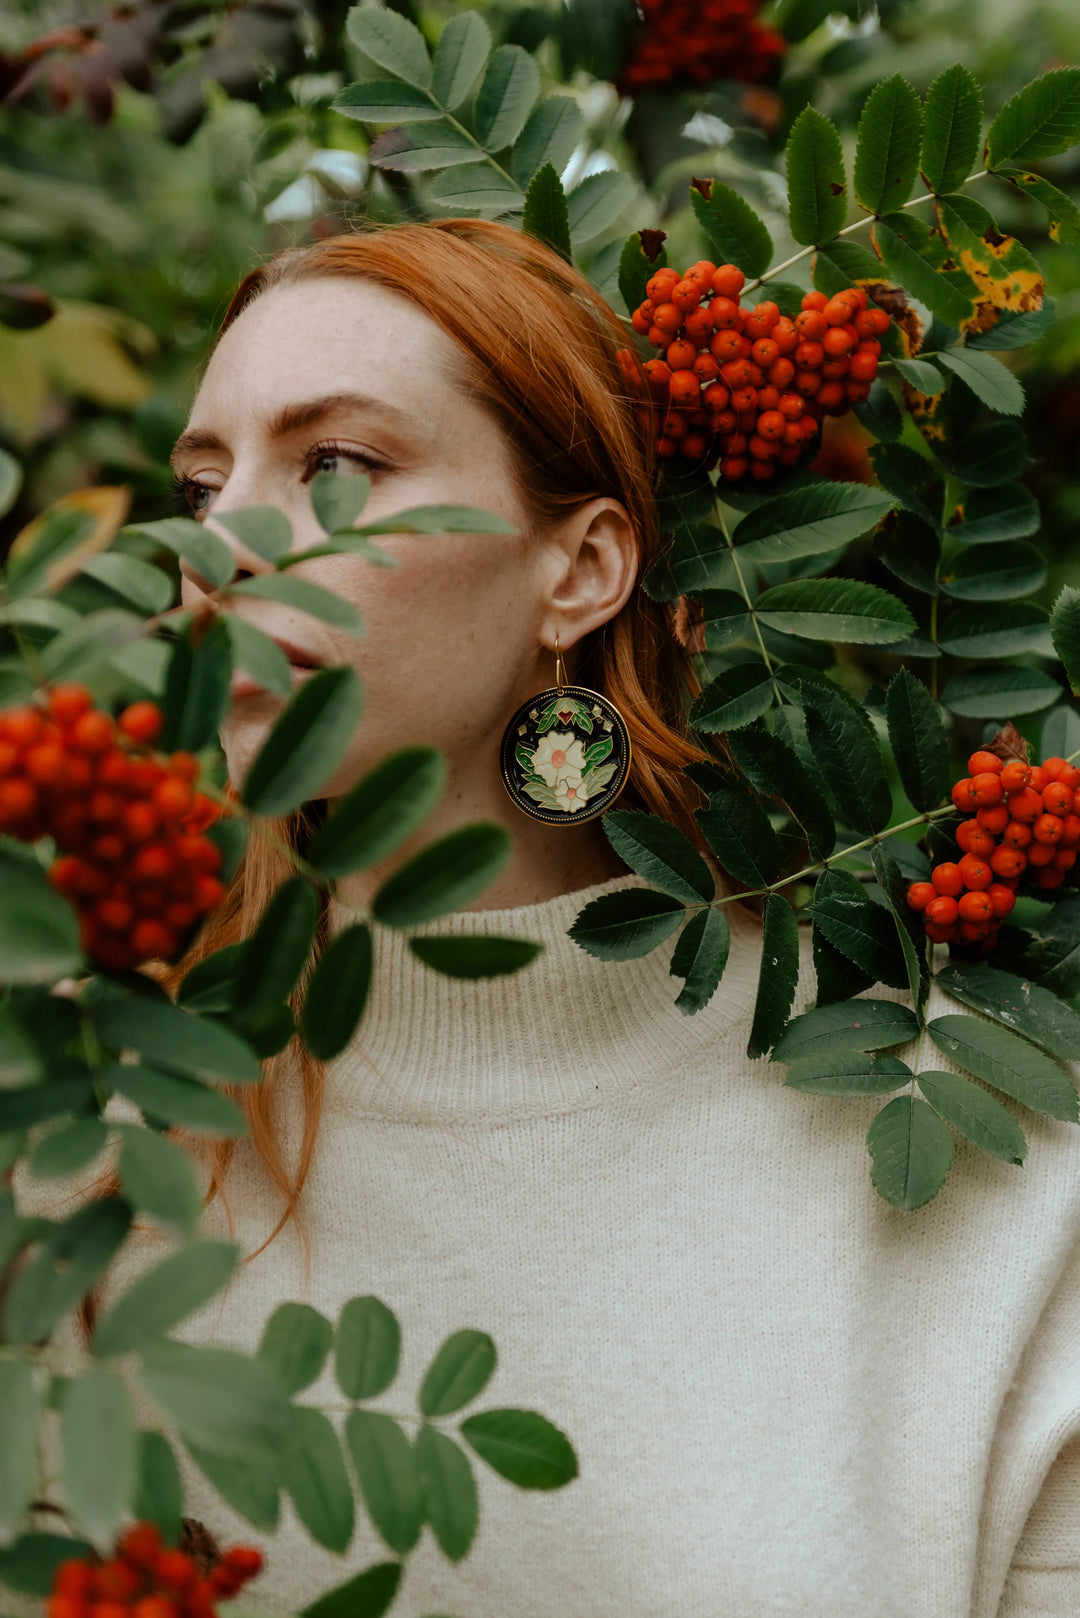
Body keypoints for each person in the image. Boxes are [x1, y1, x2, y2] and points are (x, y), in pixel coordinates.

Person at [18, 219, 1080, 1618]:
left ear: (578, 570)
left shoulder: (984, 1161)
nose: (224, 547)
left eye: (334, 466)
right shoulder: (83, 1132)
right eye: (202, 485)